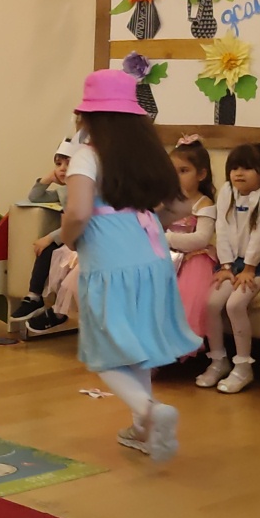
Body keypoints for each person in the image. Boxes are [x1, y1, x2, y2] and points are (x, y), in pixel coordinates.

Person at [59, 70, 200, 462]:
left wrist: (68, 237)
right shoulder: (148, 155)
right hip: (152, 257)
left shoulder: (87, 156)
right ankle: (142, 429)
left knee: (104, 350)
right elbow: (180, 206)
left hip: (109, 261)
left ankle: (149, 410)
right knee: (134, 345)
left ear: (90, 117)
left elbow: (78, 211)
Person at [198, 141, 260, 393]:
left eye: (247, 168)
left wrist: (249, 267)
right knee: (211, 303)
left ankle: (243, 367)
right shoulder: (227, 190)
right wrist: (226, 265)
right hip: (233, 262)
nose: (239, 173)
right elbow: (222, 229)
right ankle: (218, 361)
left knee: (235, 304)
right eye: (234, 168)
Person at [12, 138, 78, 326]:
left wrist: (50, 237)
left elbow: (81, 221)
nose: (62, 169)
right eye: (58, 164)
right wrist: (47, 179)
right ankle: (34, 296)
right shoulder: (64, 192)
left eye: (68, 163)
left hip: (83, 236)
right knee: (47, 251)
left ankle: (59, 311)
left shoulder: (86, 192)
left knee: (52, 249)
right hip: (70, 237)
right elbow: (35, 197)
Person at [165, 136, 218, 345]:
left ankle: (174, 345)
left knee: (184, 297)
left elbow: (201, 238)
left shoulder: (204, 204)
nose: (176, 177)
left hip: (193, 258)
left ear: (201, 174)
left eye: (183, 171)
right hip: (166, 255)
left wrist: (167, 238)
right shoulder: (166, 200)